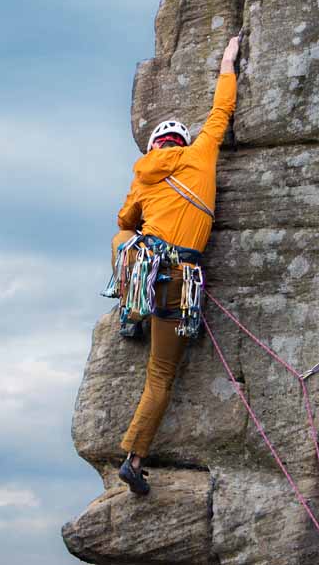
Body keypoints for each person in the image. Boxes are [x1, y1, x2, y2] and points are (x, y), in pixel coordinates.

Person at [111, 35, 241, 495]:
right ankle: (135, 457)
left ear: (153, 146)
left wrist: (143, 215)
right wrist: (228, 61)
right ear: (182, 141)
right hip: (181, 283)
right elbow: (221, 111)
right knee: (161, 376)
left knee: (122, 239)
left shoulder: (143, 173)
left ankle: (130, 311)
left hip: (145, 272)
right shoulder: (201, 155)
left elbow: (125, 221)